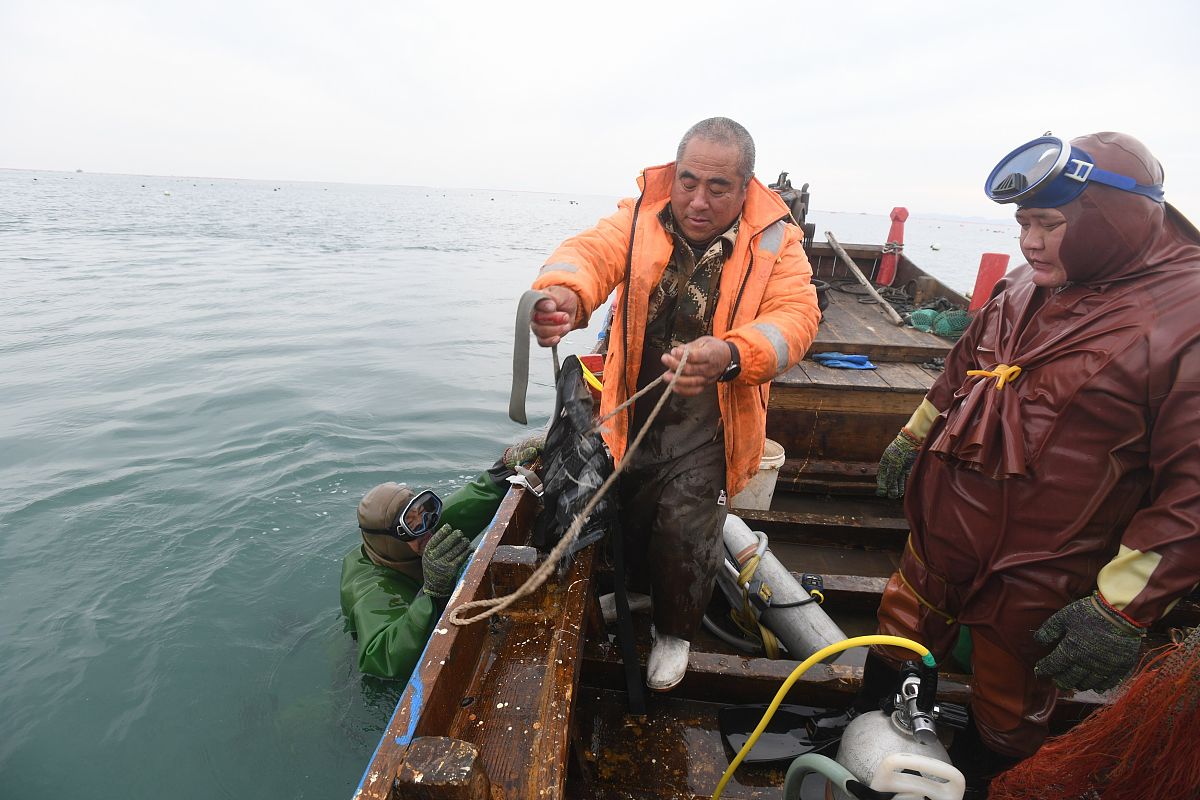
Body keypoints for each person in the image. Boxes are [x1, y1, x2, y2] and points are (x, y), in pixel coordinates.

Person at [867, 132, 1200, 788]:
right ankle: (882, 750)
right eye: (1023, 223)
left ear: (1120, 217)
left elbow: (1190, 491)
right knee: (897, 643)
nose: (1031, 242)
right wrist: (914, 435)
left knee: (1009, 702)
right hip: (939, 541)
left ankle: (993, 780)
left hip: (1044, 574)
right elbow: (963, 369)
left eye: (1051, 224)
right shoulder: (1023, 285)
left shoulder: (1185, 320)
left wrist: (1121, 607)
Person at [528, 117, 821, 691]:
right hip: (633, 408)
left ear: (745, 188)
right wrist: (564, 290)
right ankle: (637, 592)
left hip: (711, 422)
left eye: (718, 188)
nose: (698, 200)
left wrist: (733, 354)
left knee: (684, 523)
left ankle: (675, 630)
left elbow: (796, 317)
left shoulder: (777, 241)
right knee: (630, 509)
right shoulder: (640, 216)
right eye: (689, 182)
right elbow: (591, 253)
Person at [340, 439, 542, 680]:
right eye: (413, 524)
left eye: (425, 512)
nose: (427, 528)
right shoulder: (368, 587)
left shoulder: (419, 535)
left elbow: (467, 503)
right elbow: (383, 657)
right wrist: (431, 592)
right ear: (390, 540)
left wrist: (503, 468)